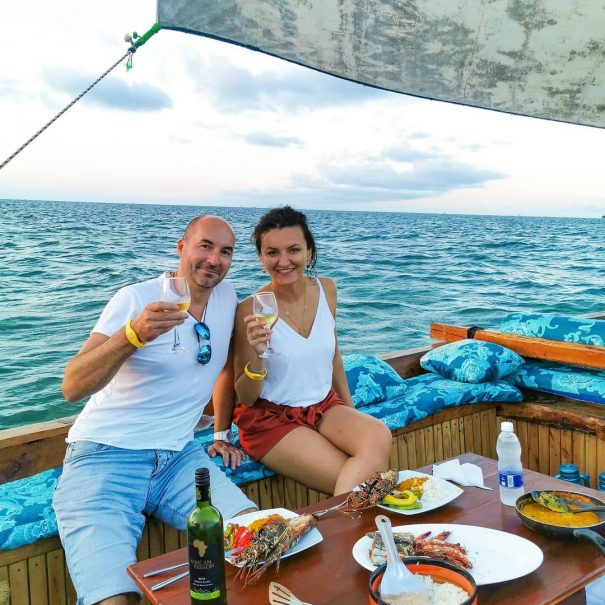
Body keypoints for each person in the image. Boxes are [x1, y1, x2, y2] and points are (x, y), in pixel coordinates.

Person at [53, 215, 257, 605]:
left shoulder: (227, 298)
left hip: (180, 458)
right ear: (181, 247)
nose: (214, 259)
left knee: (257, 538)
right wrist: (132, 335)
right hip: (104, 458)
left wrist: (220, 433)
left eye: (225, 251)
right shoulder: (136, 299)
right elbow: (72, 385)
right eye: (205, 246)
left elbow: (222, 362)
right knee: (115, 598)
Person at [232, 206, 392, 496]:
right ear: (261, 258)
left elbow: (333, 355)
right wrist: (258, 354)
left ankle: (348, 533)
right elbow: (245, 396)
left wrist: (349, 411)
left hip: (323, 406)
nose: (283, 261)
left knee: (378, 435)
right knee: (360, 484)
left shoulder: (327, 290)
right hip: (271, 418)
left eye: (293, 250)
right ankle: (350, 537)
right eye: (272, 253)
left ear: (309, 251)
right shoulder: (250, 309)